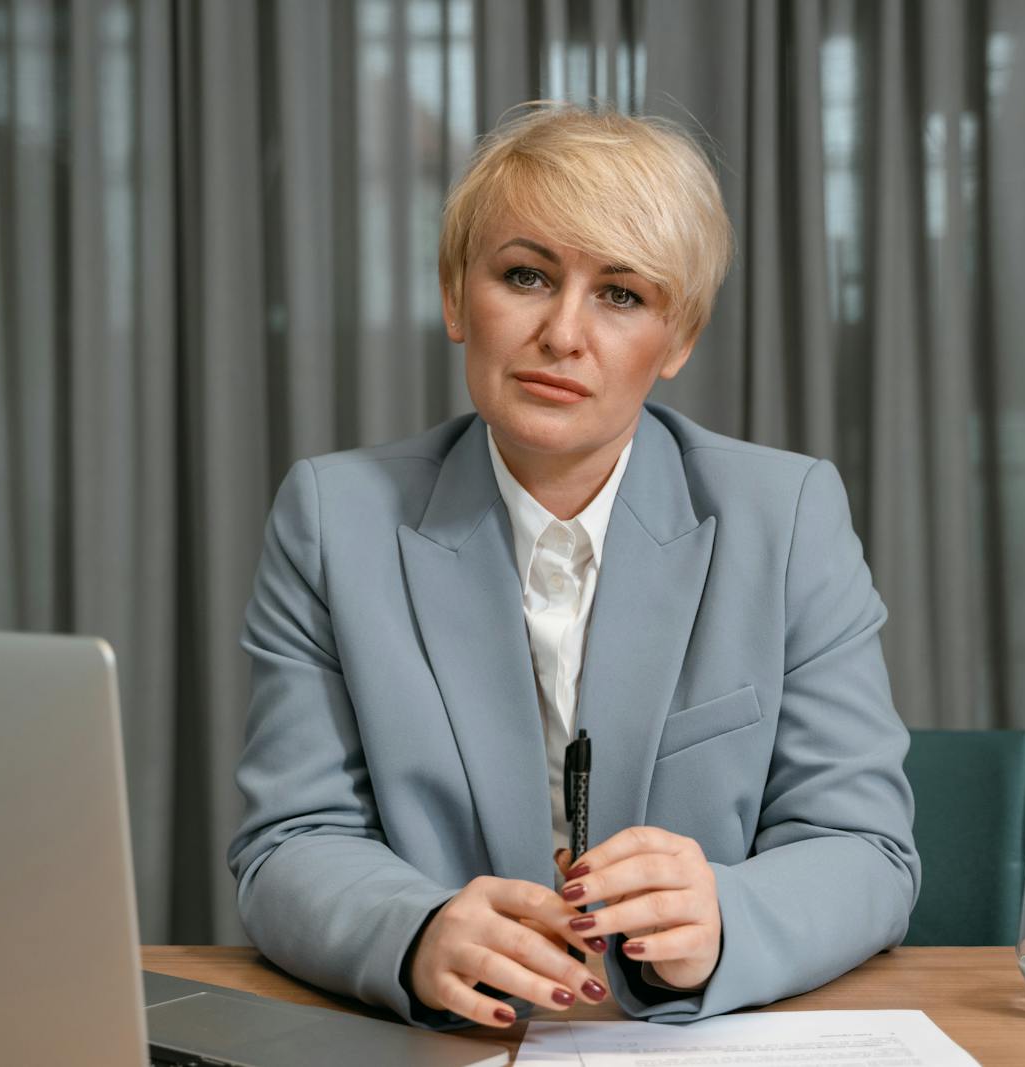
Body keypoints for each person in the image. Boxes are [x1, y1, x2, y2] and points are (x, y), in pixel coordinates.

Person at [226, 102, 919, 1031]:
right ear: (454, 296)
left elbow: (866, 847)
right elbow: (291, 841)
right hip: (445, 1044)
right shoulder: (331, 519)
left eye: (621, 295)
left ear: (678, 341)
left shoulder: (785, 516)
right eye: (526, 275)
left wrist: (723, 918)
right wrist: (417, 930)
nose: (562, 332)